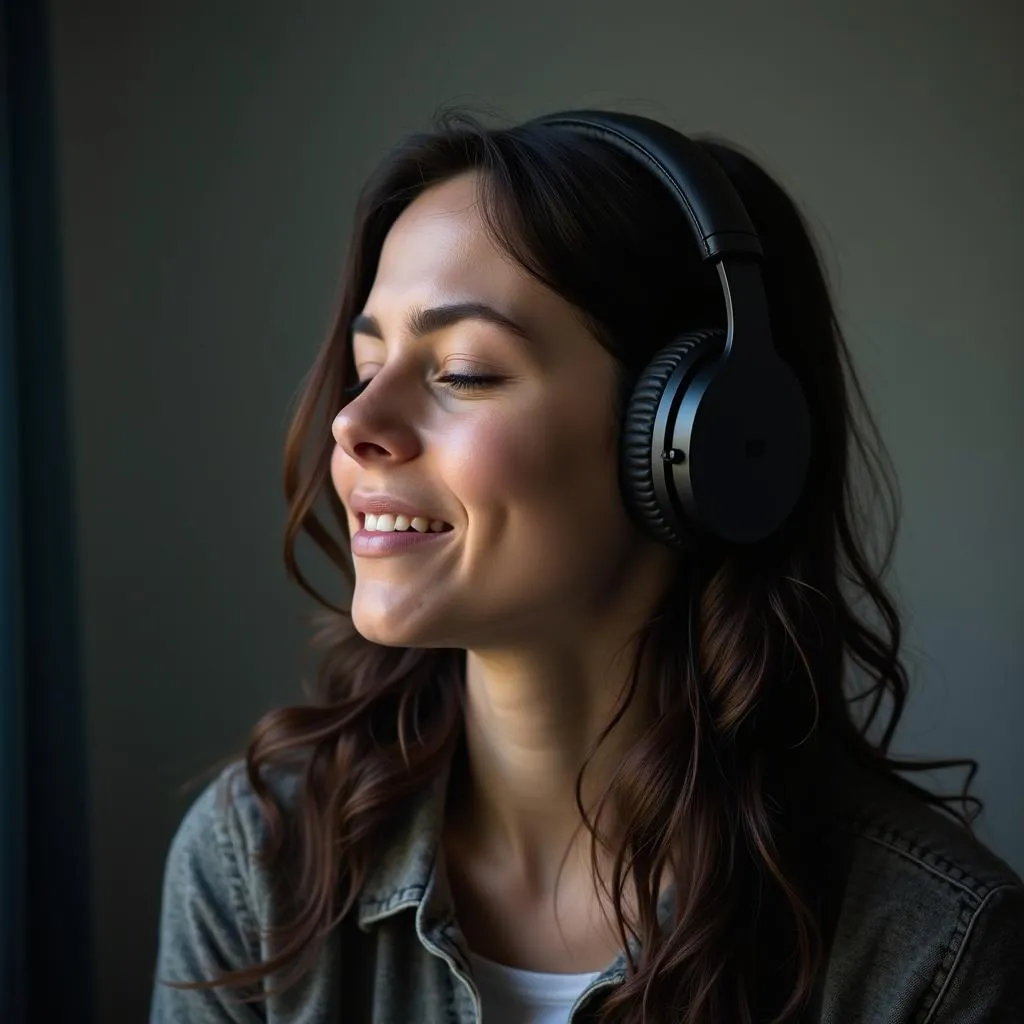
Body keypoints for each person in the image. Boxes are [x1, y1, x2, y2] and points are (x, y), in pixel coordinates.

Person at [149, 108, 1024, 1024]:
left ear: (700, 439)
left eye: (463, 371)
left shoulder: (934, 954)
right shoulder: (256, 867)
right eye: (368, 367)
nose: (353, 423)